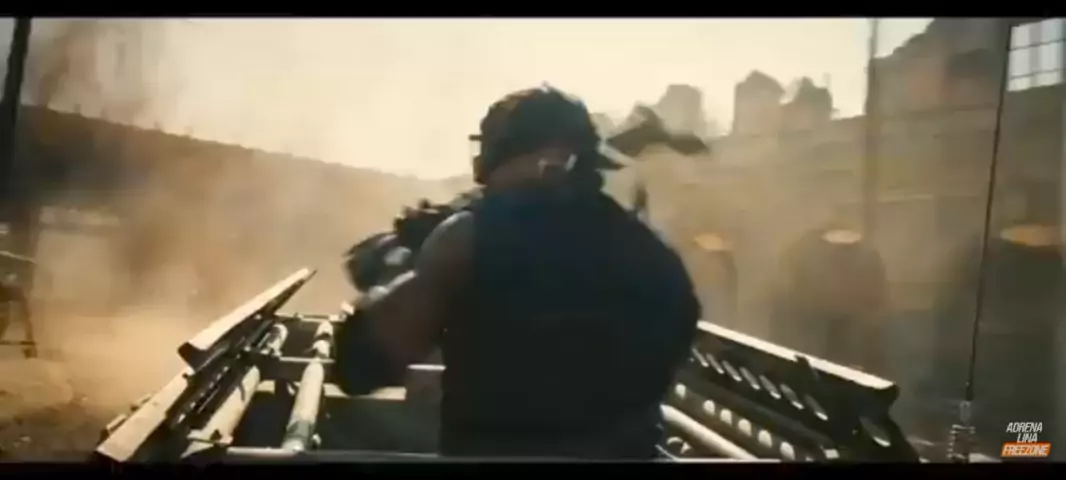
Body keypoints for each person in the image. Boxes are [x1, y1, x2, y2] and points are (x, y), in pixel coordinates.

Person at [333, 86, 702, 459]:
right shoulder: (652, 255)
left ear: (525, 158)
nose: (482, 175)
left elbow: (361, 364)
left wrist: (399, 275)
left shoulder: (470, 238)